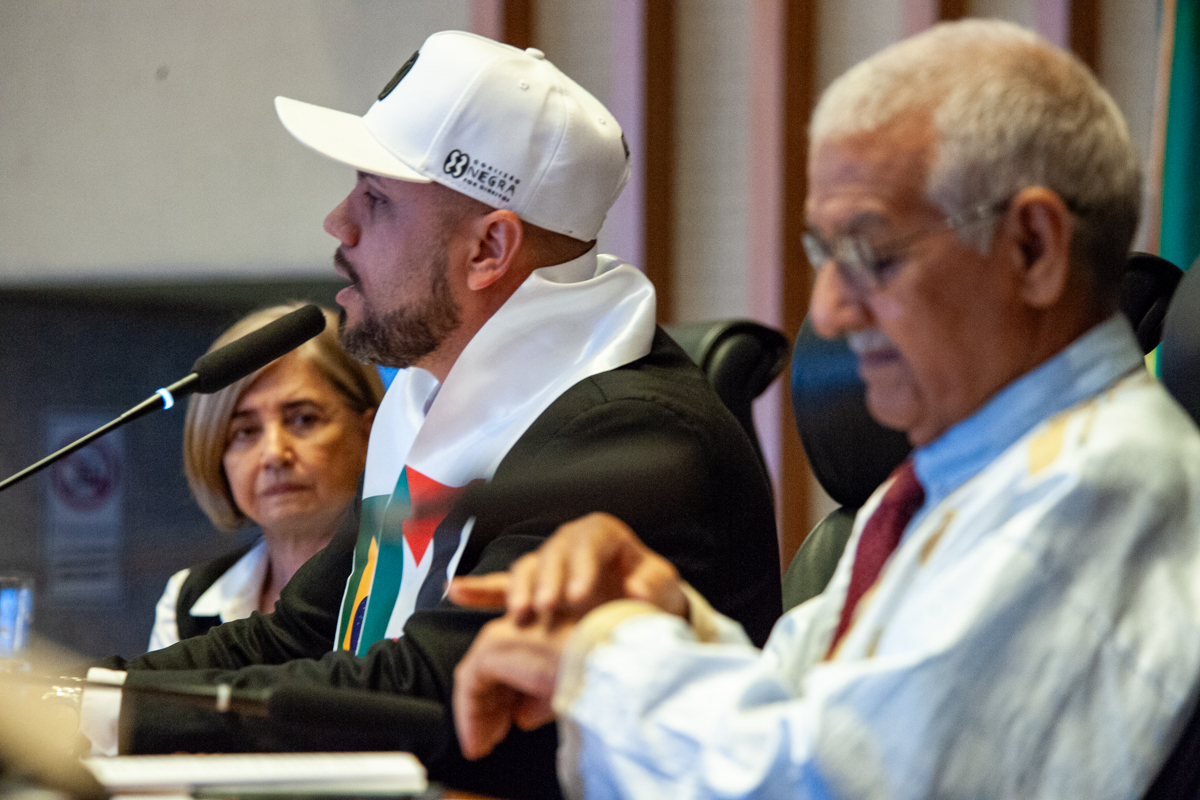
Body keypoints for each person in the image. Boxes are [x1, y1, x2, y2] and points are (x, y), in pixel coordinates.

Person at [450, 19, 1200, 799]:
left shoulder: (1092, 489)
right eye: (825, 255)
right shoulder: (958, 480)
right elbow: (817, 714)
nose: (832, 313)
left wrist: (606, 653)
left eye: (871, 254)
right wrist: (664, 617)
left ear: (1032, 249)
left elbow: (825, 785)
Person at [82, 30, 780, 800]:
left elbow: (430, 695)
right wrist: (74, 699)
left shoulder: (629, 436)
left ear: (489, 250)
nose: (338, 223)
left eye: (376, 200)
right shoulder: (423, 394)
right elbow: (307, 631)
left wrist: (114, 720)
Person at [147, 305, 382, 650]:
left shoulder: (411, 582)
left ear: (370, 432)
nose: (274, 454)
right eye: (245, 431)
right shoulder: (188, 601)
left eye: (303, 419)